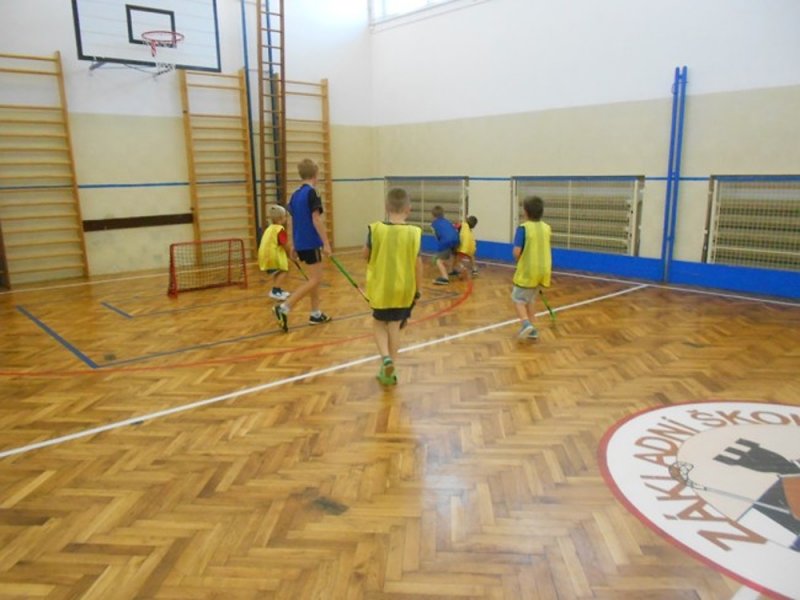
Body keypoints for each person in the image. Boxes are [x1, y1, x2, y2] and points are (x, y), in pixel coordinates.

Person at [363, 187, 423, 385]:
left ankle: (385, 358)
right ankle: (390, 369)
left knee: (379, 323)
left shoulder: (376, 229)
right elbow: (418, 264)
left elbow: (365, 255)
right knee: (395, 325)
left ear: (386, 207)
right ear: (408, 209)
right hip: (404, 288)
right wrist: (418, 290)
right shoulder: (414, 232)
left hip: (382, 287)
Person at [273, 159, 333, 332]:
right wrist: (326, 243)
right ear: (316, 174)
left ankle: (315, 313)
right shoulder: (313, 193)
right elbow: (316, 219)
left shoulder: (295, 194)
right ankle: (284, 307)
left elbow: (293, 221)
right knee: (315, 279)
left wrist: (293, 244)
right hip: (311, 241)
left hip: (301, 242)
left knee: (313, 279)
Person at [512, 196, 552, 339]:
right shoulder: (547, 228)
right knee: (530, 300)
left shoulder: (523, 228)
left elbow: (517, 252)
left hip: (528, 271)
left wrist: (519, 262)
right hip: (544, 270)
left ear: (526, 212)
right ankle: (533, 330)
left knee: (518, 299)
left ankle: (526, 324)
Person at [258, 204, 291, 301]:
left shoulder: (269, 228)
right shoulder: (280, 229)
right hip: (272, 256)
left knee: (277, 272)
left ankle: (278, 290)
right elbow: (285, 244)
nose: (286, 218)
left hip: (265, 256)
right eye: (285, 216)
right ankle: (275, 291)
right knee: (284, 271)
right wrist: (290, 254)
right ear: (281, 218)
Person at [430, 205, 459, 285]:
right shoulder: (447, 221)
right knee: (453, 254)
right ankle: (451, 270)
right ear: (443, 214)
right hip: (456, 239)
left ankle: (445, 278)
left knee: (438, 261)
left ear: (433, 215)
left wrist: (438, 253)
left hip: (446, 241)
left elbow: (438, 237)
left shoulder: (434, 224)